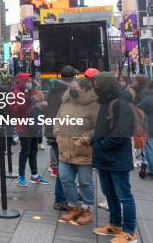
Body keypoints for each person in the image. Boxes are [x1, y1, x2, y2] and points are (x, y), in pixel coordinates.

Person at [91, 72, 138, 243]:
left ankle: (129, 231)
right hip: (104, 158)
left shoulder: (120, 103)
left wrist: (101, 145)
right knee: (109, 193)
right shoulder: (104, 102)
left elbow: (121, 133)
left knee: (124, 195)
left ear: (106, 86)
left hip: (117, 158)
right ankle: (115, 224)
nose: (95, 88)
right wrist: (93, 140)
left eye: (97, 85)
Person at [54, 79, 99, 226]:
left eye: (77, 86)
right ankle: (73, 206)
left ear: (85, 89)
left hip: (83, 150)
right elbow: (57, 121)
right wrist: (58, 136)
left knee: (85, 182)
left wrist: (85, 139)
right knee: (65, 178)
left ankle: (87, 210)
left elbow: (98, 127)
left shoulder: (93, 105)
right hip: (64, 149)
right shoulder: (66, 102)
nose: (72, 87)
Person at [9, 73, 50, 187]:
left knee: (33, 151)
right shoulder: (15, 93)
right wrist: (27, 102)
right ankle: (21, 176)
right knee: (25, 152)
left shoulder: (33, 92)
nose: (30, 82)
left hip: (35, 126)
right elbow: (15, 111)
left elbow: (36, 106)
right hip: (24, 127)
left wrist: (41, 106)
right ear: (22, 81)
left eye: (31, 80)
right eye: (28, 80)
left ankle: (35, 175)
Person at [46, 65, 77, 210]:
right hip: (61, 133)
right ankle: (61, 198)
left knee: (64, 164)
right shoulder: (69, 92)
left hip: (52, 131)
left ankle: (66, 195)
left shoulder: (52, 89)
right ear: (72, 77)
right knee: (65, 165)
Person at [137, 83, 153, 178]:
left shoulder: (148, 100)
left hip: (149, 128)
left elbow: (137, 108)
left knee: (150, 149)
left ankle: (152, 170)